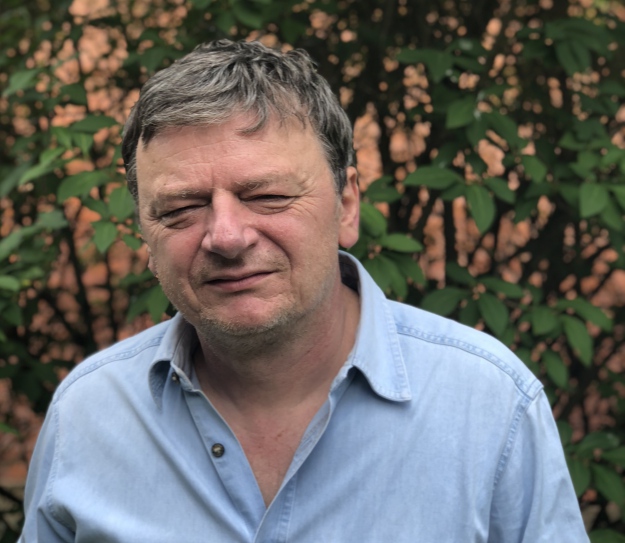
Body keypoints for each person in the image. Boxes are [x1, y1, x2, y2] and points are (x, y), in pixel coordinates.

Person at [20, 39, 588, 542]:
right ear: (145, 234)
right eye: (181, 208)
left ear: (347, 205)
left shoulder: (489, 407)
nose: (227, 237)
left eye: (267, 196)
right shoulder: (88, 418)